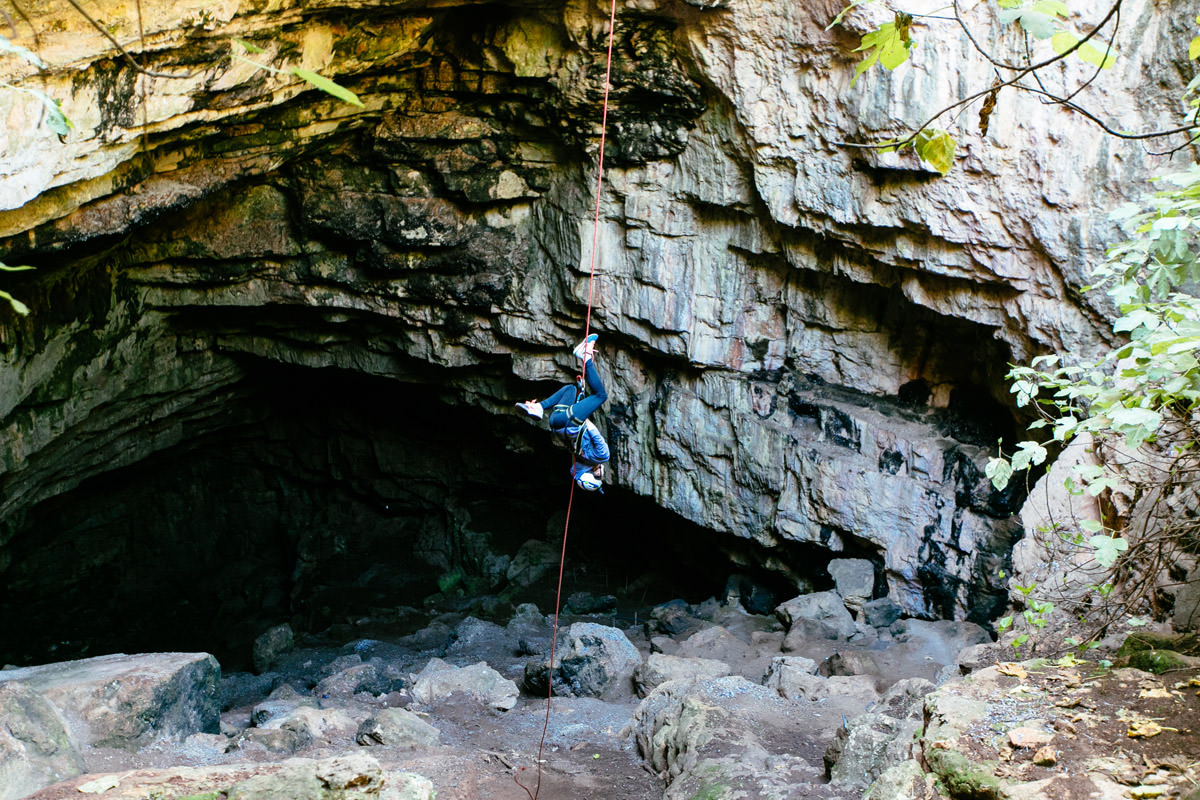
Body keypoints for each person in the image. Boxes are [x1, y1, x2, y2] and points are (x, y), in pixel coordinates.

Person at [516, 334, 610, 491]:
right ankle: (539, 407)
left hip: (570, 422)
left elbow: (589, 426)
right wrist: (580, 401)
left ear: (593, 474)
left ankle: (585, 356)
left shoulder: (602, 456)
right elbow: (574, 474)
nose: (602, 474)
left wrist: (582, 407)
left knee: (601, 396)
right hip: (556, 423)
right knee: (571, 389)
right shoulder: (579, 466)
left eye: (600, 476)